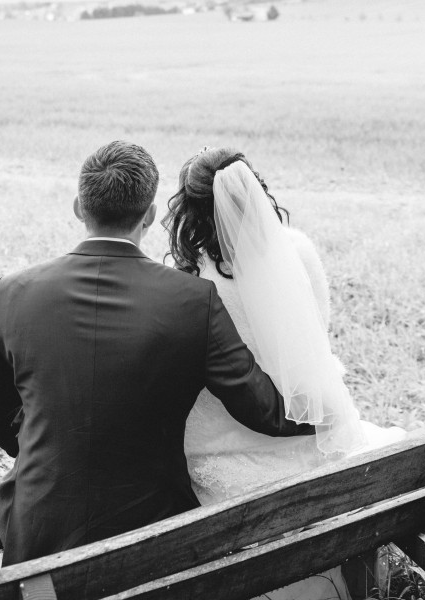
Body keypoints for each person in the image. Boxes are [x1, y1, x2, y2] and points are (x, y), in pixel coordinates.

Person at [0, 140, 315, 566]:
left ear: (79, 207)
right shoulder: (193, 300)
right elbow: (263, 409)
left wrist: (55, 453)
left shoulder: (14, 292)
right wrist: (326, 415)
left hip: (38, 531)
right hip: (152, 536)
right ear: (151, 215)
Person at [164, 146, 405, 600]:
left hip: (219, 451)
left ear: (190, 210)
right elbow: (318, 336)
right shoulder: (297, 251)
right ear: (257, 190)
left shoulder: (185, 279)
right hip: (307, 435)